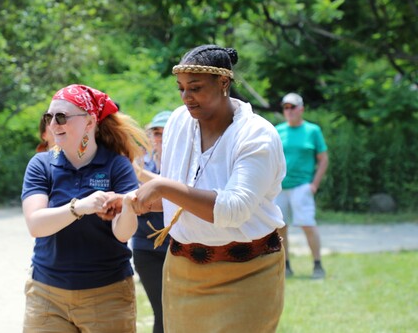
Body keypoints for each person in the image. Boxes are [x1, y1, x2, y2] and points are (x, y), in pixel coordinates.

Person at [130, 45, 287, 332]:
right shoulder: (179, 121)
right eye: (181, 89)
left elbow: (234, 210)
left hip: (247, 273)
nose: (186, 97)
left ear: (224, 83)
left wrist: (162, 186)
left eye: (196, 88)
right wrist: (132, 201)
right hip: (182, 271)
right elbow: (181, 200)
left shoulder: (256, 134)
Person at [21, 84, 149, 332]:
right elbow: (35, 224)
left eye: (62, 117)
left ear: (89, 122)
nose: (53, 124)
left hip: (107, 294)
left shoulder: (117, 165)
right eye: (49, 117)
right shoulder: (41, 164)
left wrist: (127, 206)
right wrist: (80, 207)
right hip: (46, 295)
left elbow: (123, 234)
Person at [274, 92, 329, 279]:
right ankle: (285, 265)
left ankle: (317, 264)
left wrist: (314, 184)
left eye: (292, 107)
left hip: (301, 186)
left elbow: (323, 159)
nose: (289, 111)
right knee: (280, 227)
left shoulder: (312, 131)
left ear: (301, 109)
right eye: (285, 107)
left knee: (307, 224)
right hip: (280, 187)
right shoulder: (278, 131)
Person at [132, 110, 172, 333]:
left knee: (180, 310)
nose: (160, 138)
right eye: (156, 132)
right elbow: (135, 201)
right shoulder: (141, 164)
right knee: (162, 311)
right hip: (145, 246)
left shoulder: (186, 164)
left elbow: (177, 195)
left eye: (166, 132)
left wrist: (140, 175)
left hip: (179, 247)